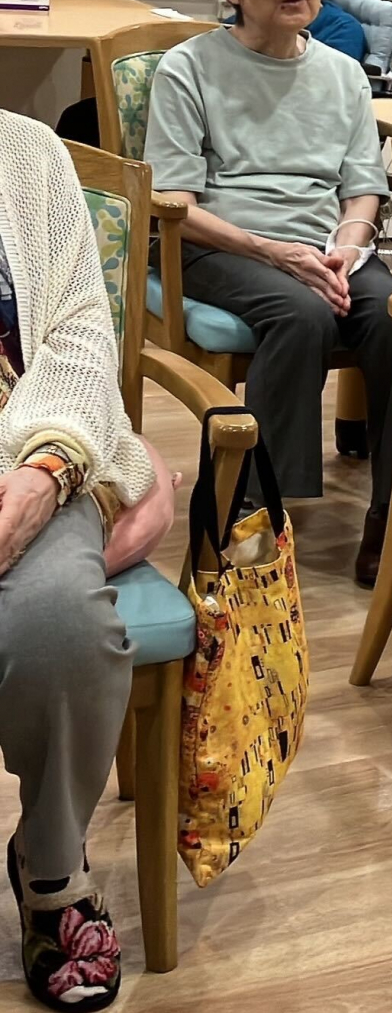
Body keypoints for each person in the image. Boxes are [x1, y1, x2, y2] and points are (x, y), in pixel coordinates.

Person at [145, 0, 392, 590]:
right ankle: (255, 517)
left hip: (322, 245)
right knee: (301, 312)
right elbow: (175, 203)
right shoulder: (189, 67)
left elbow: (362, 188)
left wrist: (348, 246)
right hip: (217, 243)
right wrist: (274, 252)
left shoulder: (344, 73)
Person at [0, 110, 156, 1011]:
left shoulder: (25, 151)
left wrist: (49, 467)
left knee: (61, 621)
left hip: (27, 450)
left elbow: (79, 334)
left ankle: (51, 864)